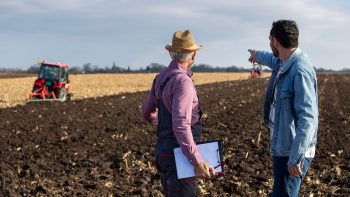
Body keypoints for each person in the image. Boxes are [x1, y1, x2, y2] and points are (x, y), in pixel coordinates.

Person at [248, 20, 318, 196]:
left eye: (270, 39)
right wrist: (256, 55)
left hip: (292, 150)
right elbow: (271, 58)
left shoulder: (300, 71)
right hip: (283, 146)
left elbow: (308, 118)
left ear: (276, 42)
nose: (269, 42)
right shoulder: (283, 60)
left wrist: (296, 158)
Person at [141, 30, 215, 196]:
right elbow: (181, 126)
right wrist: (197, 161)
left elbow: (146, 112)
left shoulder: (160, 78)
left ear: (171, 53)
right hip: (181, 159)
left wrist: (161, 122)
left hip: (163, 154)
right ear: (194, 55)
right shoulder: (184, 83)